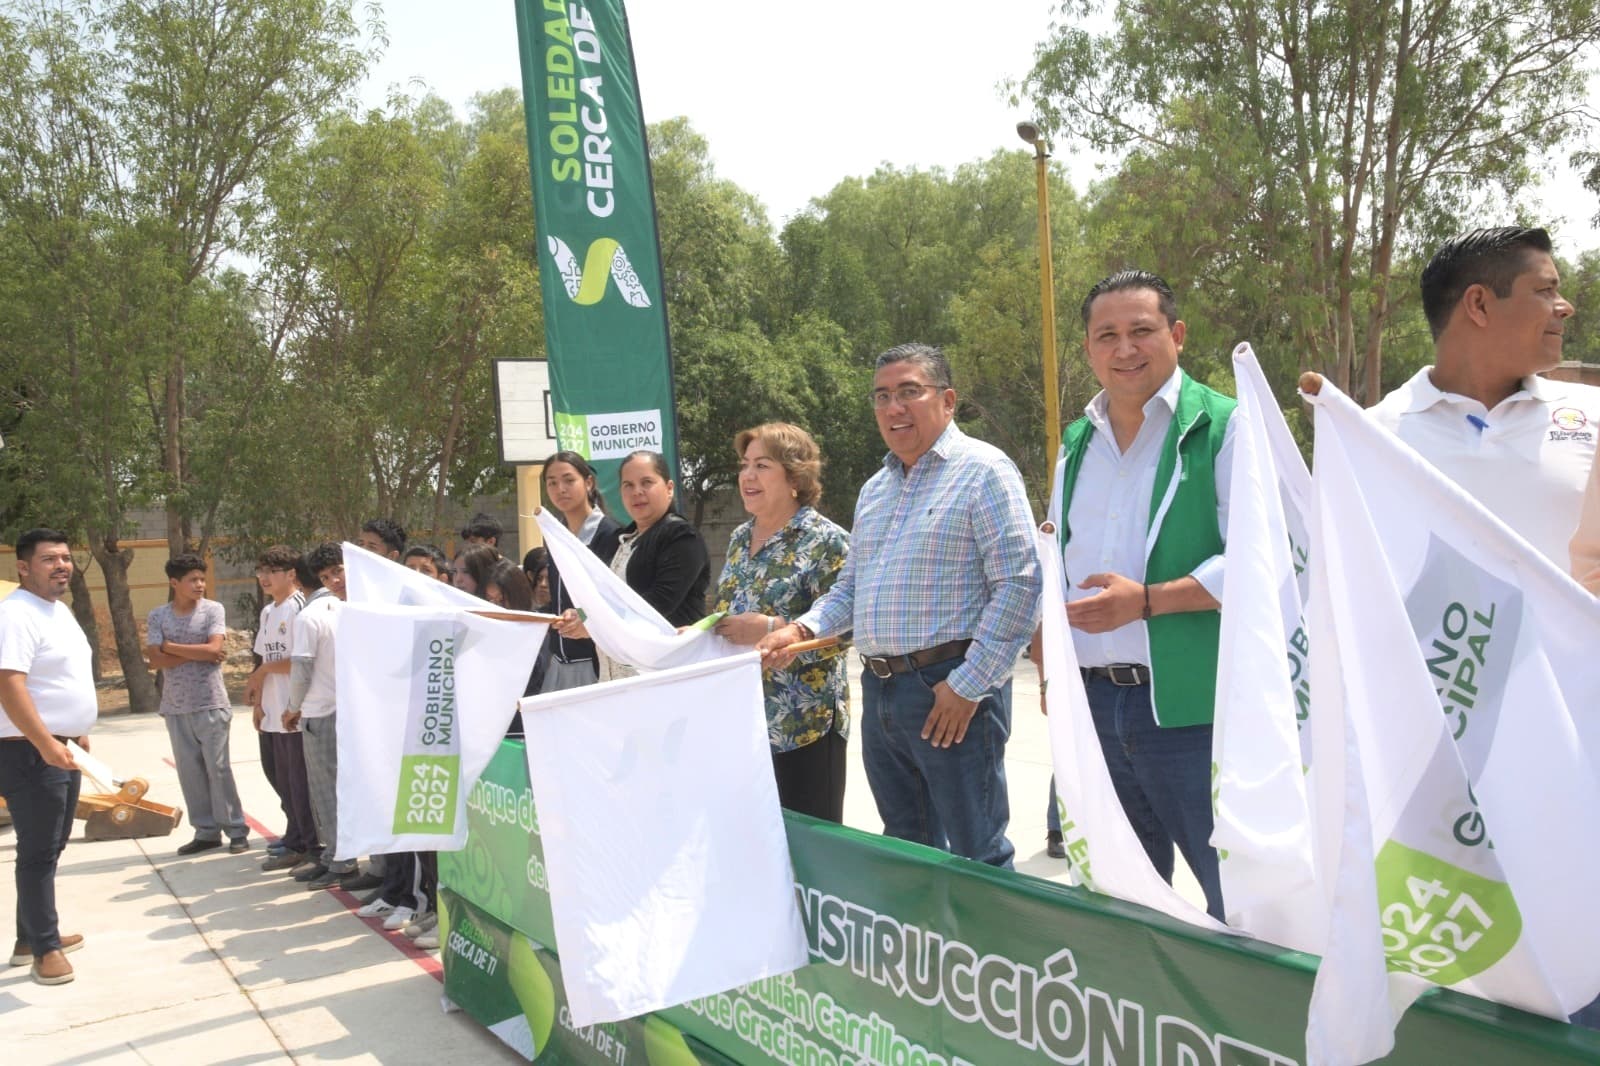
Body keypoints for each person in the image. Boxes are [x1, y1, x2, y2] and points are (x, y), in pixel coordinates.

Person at [759, 344, 1039, 869]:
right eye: (882, 396)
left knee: (978, 855)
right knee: (908, 851)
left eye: (910, 391)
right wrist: (800, 631)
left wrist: (969, 685)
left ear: (948, 400)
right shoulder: (876, 489)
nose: (894, 408)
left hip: (949, 690)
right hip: (882, 691)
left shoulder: (984, 471)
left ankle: (988, 928)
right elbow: (852, 587)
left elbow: (1020, 584)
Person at [1040, 270, 1235, 919]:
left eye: (1142, 331)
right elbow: (1058, 558)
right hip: (1096, 707)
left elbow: (1267, 561)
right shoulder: (1077, 443)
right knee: (1118, 906)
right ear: (1088, 349)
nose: (1125, 349)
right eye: (1107, 336)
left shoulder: (1223, 427)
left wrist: (1148, 600)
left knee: (1237, 904)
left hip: (1195, 714)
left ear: (1177, 335)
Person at [1372, 226, 1598, 566]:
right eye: (1545, 290)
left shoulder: (1593, 416)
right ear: (1479, 304)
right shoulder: (1373, 437)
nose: (1565, 307)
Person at [712, 423, 851, 822]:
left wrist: (773, 629)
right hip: (742, 722)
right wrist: (705, 632)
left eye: (762, 465)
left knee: (808, 847)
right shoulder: (740, 538)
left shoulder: (826, 540)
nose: (747, 475)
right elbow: (732, 609)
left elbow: (847, 630)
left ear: (795, 477)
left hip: (802, 726)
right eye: (744, 465)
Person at [0, 528, 95, 986]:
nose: (61, 565)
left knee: (52, 845)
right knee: (38, 850)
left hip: (60, 746)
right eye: (49, 559)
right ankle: (45, 948)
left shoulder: (58, 611)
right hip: (29, 750)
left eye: (65, 557)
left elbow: (59, 677)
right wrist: (45, 742)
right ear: (23, 567)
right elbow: (9, 683)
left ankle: (29, 938)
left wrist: (76, 731)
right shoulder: (15, 614)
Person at [554, 450, 710, 683]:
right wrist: (583, 615)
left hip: (663, 679)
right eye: (628, 485)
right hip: (614, 678)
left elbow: (657, 605)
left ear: (669, 488)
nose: (637, 492)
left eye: (646, 482)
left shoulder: (681, 537)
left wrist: (595, 624)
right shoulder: (623, 539)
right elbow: (607, 600)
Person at [146, 553, 248, 856]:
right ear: (174, 583)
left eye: (202, 579)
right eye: (193, 580)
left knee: (218, 769)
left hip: (210, 702)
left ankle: (236, 829)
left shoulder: (213, 610)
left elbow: (215, 649)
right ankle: (206, 832)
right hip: (176, 706)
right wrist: (198, 652)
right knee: (190, 773)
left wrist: (171, 647)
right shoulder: (158, 616)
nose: (200, 584)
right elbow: (155, 659)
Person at [282, 543, 360, 891]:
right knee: (338, 790)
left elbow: (302, 670)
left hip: (320, 712)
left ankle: (341, 861)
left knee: (327, 792)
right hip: (342, 709)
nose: (334, 580)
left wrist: (292, 707)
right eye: (327, 576)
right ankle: (334, 857)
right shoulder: (341, 609)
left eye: (337, 571)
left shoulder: (309, 617)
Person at [244, 546, 315, 873]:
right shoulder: (267, 612)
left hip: (293, 712)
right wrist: (259, 702)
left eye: (272, 571)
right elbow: (264, 657)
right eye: (261, 571)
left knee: (299, 783)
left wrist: (263, 672)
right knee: (280, 778)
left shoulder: (299, 607)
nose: (264, 577)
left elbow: (299, 662)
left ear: (291, 574)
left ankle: (307, 844)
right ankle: (293, 833)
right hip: (273, 711)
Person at [540, 451, 621, 691]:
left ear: (588, 483)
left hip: (596, 662)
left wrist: (584, 617)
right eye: (552, 483)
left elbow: (616, 601)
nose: (560, 489)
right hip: (558, 661)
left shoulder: (611, 535)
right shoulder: (554, 535)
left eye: (569, 480)